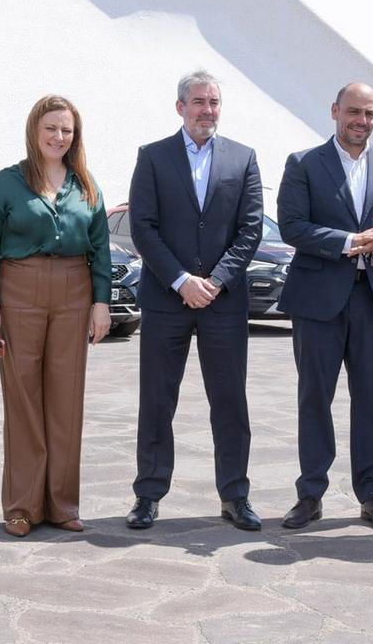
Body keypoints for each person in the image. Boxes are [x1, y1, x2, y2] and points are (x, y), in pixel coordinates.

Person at [275, 83, 373, 532]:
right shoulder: (303, 163)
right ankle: (310, 495)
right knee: (314, 399)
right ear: (335, 111)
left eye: (370, 114)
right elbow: (291, 225)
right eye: (354, 112)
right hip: (318, 301)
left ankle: (372, 495)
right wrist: (349, 241)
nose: (362, 121)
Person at [125, 70, 264, 531]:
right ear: (180, 106)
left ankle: (235, 495)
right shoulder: (153, 156)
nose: (208, 110)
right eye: (199, 102)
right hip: (167, 300)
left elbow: (250, 230)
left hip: (224, 304)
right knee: (157, 401)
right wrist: (182, 280)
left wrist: (217, 280)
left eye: (214, 102)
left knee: (230, 402)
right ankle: (148, 495)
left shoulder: (243, 158)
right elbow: (143, 227)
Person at [0, 95, 112, 537]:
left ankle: (62, 505)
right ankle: (22, 506)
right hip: (19, 292)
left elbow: (100, 248)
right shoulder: (8, 182)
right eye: (51, 127)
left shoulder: (86, 184)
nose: (59, 136)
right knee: (24, 400)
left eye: (66, 129)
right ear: (35, 130)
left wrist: (102, 303)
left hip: (74, 292)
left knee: (67, 400)